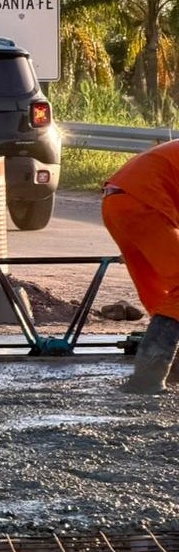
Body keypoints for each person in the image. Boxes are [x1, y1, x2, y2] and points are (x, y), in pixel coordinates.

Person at [101, 139, 179, 393]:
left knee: (162, 294)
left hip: (119, 202)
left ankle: (171, 372)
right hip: (144, 203)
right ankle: (149, 375)